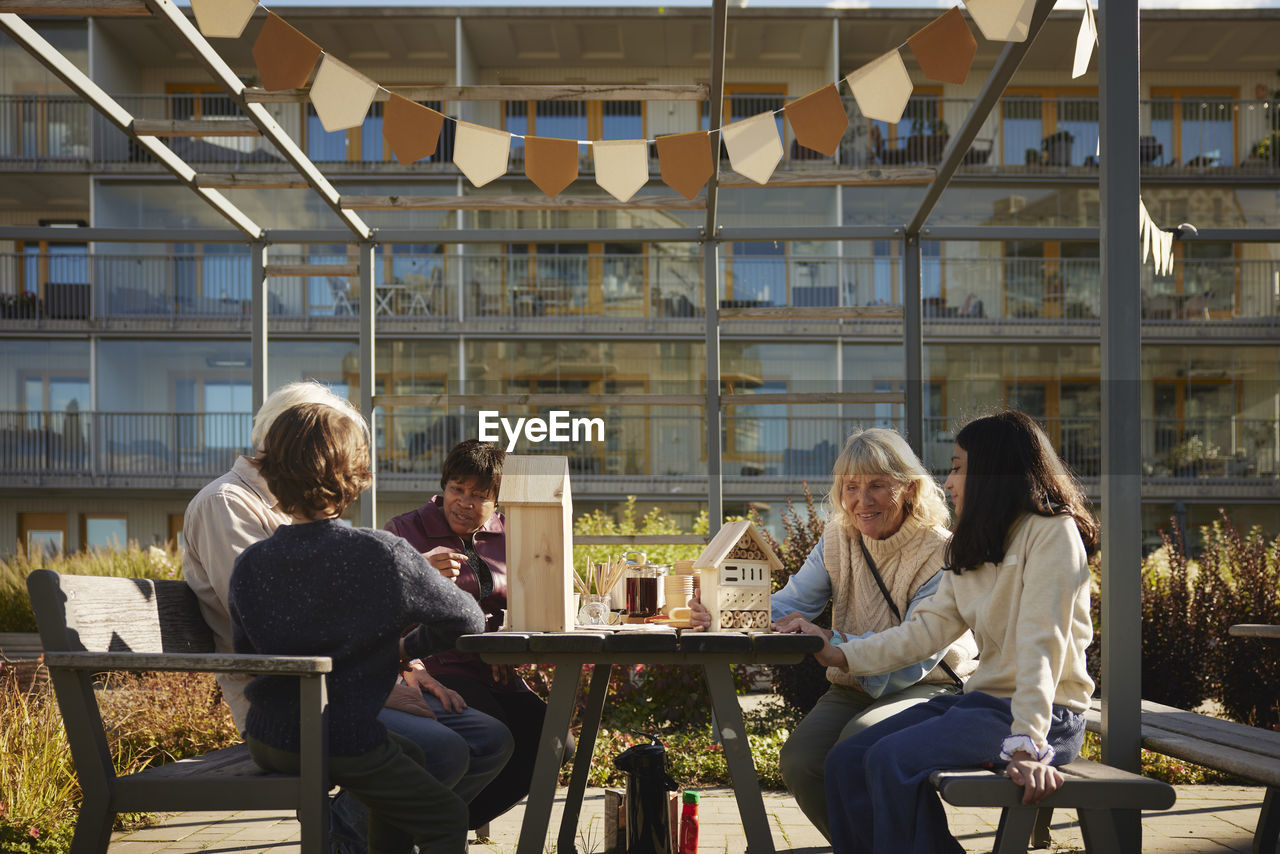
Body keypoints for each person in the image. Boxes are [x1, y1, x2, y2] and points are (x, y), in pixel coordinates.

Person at [183, 381, 511, 848]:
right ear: (356, 479)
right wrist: (385, 666)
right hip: (328, 716)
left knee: (469, 742)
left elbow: (265, 634)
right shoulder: (373, 548)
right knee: (440, 794)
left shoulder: (258, 560)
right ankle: (342, 841)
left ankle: (354, 837)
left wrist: (398, 659)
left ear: (275, 466)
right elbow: (464, 619)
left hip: (273, 726)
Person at [817, 410, 1098, 854]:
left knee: (891, 761)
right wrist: (841, 653)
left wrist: (1027, 743)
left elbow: (1042, 643)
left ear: (992, 471)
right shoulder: (976, 543)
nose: (947, 481)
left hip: (1044, 716)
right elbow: (926, 630)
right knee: (845, 761)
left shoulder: (1052, 534)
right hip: (981, 705)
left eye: (958, 467)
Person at [687, 427, 978, 840]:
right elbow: (791, 604)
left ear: (910, 489)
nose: (862, 500)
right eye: (851, 486)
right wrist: (720, 611)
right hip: (853, 684)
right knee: (801, 761)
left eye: (878, 485)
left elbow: (919, 651)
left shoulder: (941, 551)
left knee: (857, 746)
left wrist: (837, 645)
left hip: (926, 687)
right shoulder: (838, 539)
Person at [386, 439, 568, 829]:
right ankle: (435, 827)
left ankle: (447, 823)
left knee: (557, 744)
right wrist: (418, 573)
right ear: (444, 487)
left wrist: (510, 649)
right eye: (457, 489)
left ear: (498, 502)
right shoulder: (404, 530)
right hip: (438, 668)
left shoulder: (512, 534)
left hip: (497, 670)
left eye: (479, 495)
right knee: (495, 729)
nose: (464, 502)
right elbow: (378, 612)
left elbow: (527, 602)